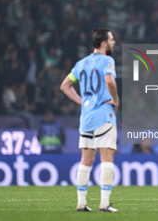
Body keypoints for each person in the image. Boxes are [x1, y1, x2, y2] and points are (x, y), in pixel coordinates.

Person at [60, 28, 119, 212]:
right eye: (111, 39)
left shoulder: (81, 63)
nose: (114, 42)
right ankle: (104, 203)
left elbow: (64, 86)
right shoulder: (107, 60)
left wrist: (82, 102)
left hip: (86, 117)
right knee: (107, 157)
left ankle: (81, 203)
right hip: (103, 114)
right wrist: (116, 100)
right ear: (103, 43)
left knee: (86, 160)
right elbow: (109, 81)